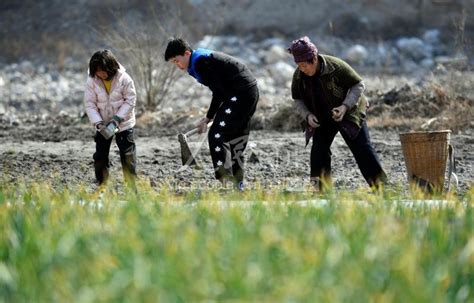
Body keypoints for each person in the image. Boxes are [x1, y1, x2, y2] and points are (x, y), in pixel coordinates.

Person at [288, 36, 387, 190]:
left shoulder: (336, 66)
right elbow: (297, 99)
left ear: (313, 59)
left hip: (348, 111)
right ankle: (320, 189)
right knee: (318, 150)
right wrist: (307, 115)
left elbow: (358, 84)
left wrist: (345, 106)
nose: (302, 69)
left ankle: (382, 188)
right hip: (322, 117)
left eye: (304, 65)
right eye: (298, 65)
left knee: (362, 148)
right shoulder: (299, 75)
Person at [164, 38, 259, 190]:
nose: (177, 65)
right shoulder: (200, 60)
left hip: (241, 93)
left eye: (177, 60)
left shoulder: (201, 62)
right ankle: (238, 185)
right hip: (249, 92)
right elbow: (220, 90)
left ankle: (226, 180)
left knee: (216, 134)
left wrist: (208, 117)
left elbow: (219, 93)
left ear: (187, 53)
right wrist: (210, 117)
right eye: (173, 63)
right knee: (235, 139)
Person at [84, 49, 137, 188]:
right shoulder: (92, 81)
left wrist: (117, 118)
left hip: (123, 124)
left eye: (102, 71)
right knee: (100, 157)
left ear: (110, 67)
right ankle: (102, 187)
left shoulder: (125, 79)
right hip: (102, 125)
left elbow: (130, 101)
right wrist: (98, 123)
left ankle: (132, 190)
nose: (100, 74)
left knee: (128, 157)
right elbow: (90, 104)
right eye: (97, 71)